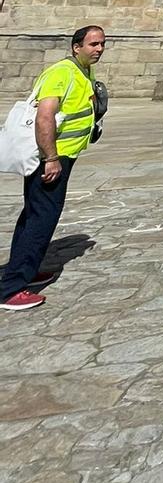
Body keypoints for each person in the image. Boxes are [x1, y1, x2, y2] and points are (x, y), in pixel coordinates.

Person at [0, 25, 105, 312]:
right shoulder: (62, 72)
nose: (98, 49)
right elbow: (44, 117)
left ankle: (26, 270)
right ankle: (10, 289)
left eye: (101, 44)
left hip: (62, 156)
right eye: (93, 44)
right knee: (41, 219)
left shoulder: (83, 71)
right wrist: (50, 158)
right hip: (50, 160)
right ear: (76, 46)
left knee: (34, 214)